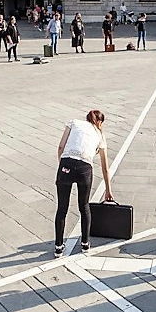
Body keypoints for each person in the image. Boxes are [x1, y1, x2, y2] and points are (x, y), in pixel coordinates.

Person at [54, 110, 113, 257]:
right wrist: (108, 189)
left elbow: (61, 147)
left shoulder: (74, 123)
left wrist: (62, 168)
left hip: (66, 163)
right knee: (84, 207)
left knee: (62, 208)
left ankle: (58, 247)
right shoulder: (100, 135)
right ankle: (85, 244)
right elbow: (105, 167)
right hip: (84, 168)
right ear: (100, 122)